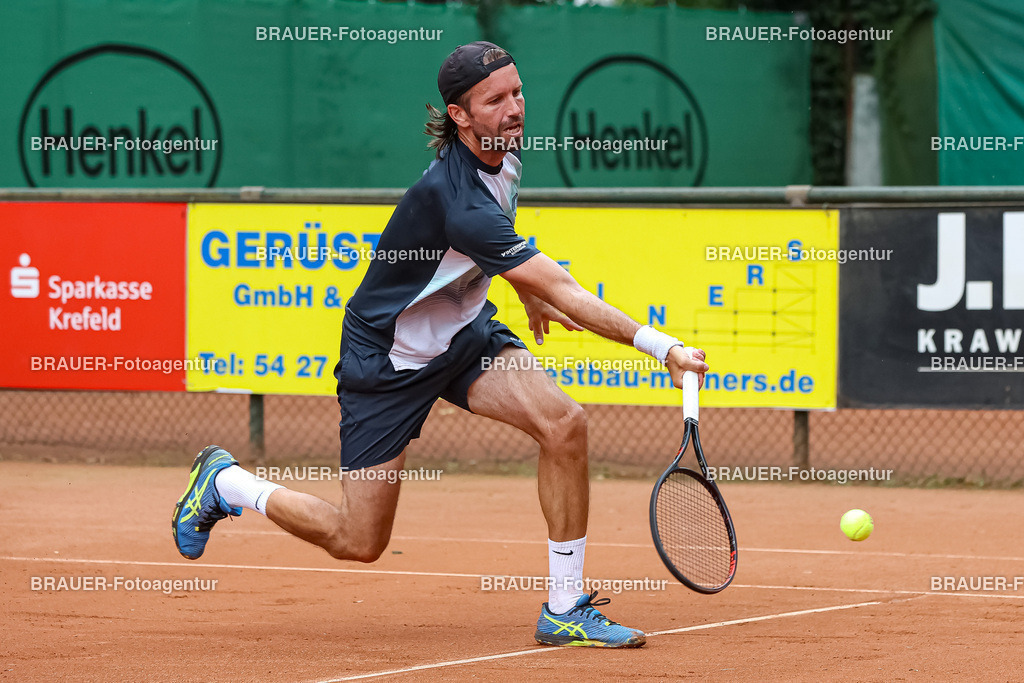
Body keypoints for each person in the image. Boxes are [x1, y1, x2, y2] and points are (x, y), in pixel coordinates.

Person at [172, 41, 708, 648]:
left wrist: (522, 290)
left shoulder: (502, 150)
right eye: (495, 100)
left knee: (564, 425)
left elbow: (507, 239)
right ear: (459, 115)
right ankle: (225, 484)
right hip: (388, 359)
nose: (514, 109)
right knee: (359, 540)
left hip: (464, 336)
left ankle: (565, 607)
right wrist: (662, 347)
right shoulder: (456, 199)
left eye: (517, 92)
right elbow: (562, 284)